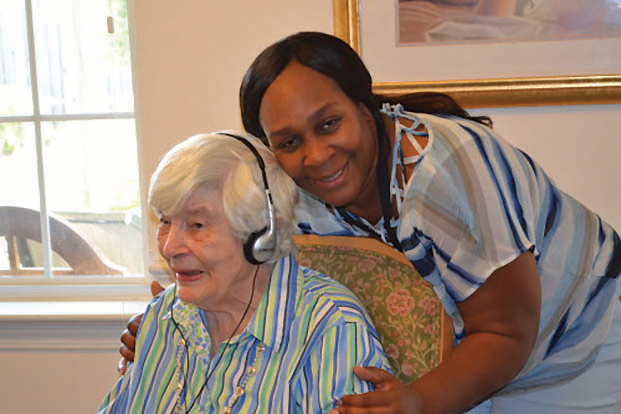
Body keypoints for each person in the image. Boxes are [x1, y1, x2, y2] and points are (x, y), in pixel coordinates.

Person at [122, 32, 620, 413]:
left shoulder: (449, 171)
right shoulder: (284, 187)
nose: (317, 156)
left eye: (328, 124)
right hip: (473, 367)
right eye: (290, 142)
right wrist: (175, 322)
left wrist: (418, 402)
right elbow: (250, 277)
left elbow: (507, 332)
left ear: (365, 107)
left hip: (589, 341)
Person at [101, 131, 391, 413]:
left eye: (197, 225)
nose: (170, 247)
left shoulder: (330, 327)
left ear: (263, 234)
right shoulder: (164, 314)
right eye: (165, 221)